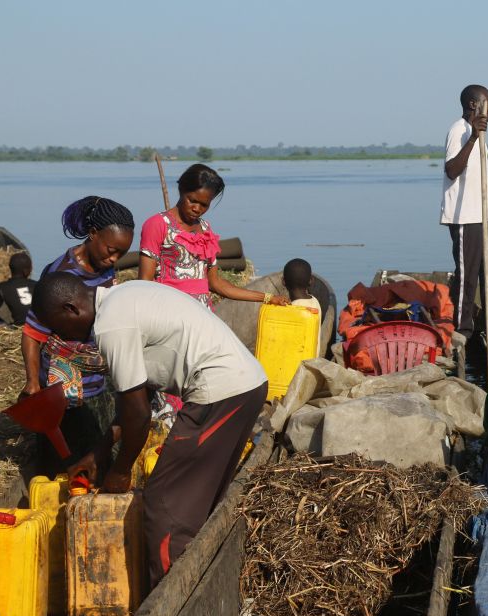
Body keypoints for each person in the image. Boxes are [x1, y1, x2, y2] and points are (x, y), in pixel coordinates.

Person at [30, 273, 268, 586]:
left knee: (163, 500)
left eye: (60, 328)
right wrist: (100, 452)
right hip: (245, 385)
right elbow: (133, 402)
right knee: (201, 496)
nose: (69, 339)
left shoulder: (110, 324)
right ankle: (202, 577)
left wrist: (120, 469)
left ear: (71, 309)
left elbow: (139, 414)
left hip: (219, 392)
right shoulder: (124, 296)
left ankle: (170, 594)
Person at [21, 196, 134, 473]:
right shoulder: (61, 275)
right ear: (93, 234)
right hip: (64, 382)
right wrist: (32, 382)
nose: (114, 259)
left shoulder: (106, 266)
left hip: (100, 374)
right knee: (63, 457)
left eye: (121, 253)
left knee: (100, 449)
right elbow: (33, 332)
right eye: (111, 250)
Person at [138, 163, 288, 307]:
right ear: (181, 190)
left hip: (202, 315)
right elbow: (145, 282)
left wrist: (268, 297)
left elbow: (215, 283)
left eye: (204, 205)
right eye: (192, 201)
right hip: (169, 312)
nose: (197, 208)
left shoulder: (205, 228)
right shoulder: (158, 224)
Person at [440, 84, 488, 347]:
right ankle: (463, 331)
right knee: (468, 276)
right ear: (473, 105)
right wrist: (473, 137)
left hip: (486, 215)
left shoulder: (479, 133)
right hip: (465, 217)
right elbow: (452, 170)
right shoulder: (459, 130)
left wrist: (478, 136)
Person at [0, 252, 36, 325]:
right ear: (25, 271)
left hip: (21, 328)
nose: (31, 269)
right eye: (30, 268)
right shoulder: (37, 285)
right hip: (40, 326)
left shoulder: (2, 287)